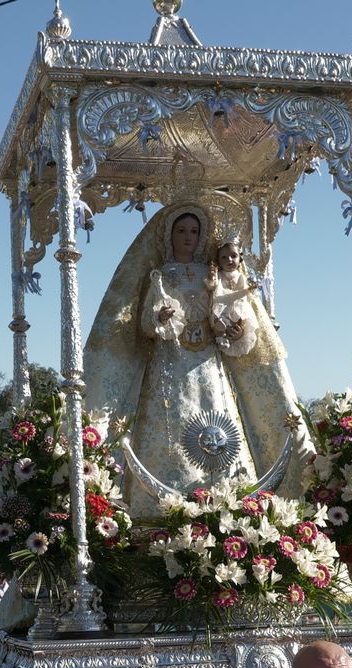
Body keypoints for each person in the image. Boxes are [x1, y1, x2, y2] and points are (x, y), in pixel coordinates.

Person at [83, 203, 311, 514]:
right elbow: (145, 325)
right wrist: (159, 318)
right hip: (169, 363)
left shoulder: (214, 274)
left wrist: (234, 328)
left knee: (218, 419)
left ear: (202, 236)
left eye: (193, 231)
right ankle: (161, 508)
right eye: (181, 231)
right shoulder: (160, 275)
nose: (187, 237)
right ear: (169, 236)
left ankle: (227, 499)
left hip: (209, 364)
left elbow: (230, 310)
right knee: (169, 428)